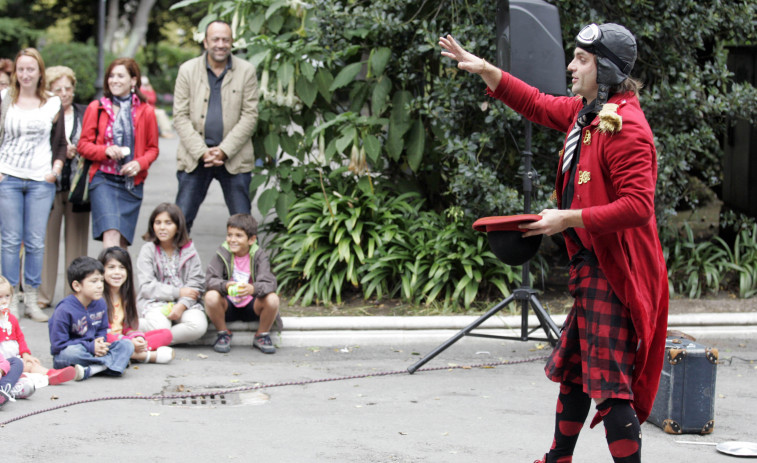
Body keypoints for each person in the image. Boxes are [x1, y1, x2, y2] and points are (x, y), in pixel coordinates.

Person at [440, 23, 668, 463]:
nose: (571, 66)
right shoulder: (588, 112)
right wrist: (486, 69)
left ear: (605, 70)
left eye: (582, 60)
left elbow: (638, 206)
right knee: (577, 373)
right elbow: (537, 103)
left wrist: (568, 218)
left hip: (615, 271)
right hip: (591, 266)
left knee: (609, 386)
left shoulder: (628, 126)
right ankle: (557, 458)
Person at [173, 19, 259, 233]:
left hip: (234, 158)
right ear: (205, 42)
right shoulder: (187, 70)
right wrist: (202, 152)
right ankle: (173, 266)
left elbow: (250, 116)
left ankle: (246, 267)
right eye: (216, 39)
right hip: (195, 157)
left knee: (243, 224)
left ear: (232, 43)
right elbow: (180, 116)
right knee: (181, 221)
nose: (221, 44)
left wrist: (223, 150)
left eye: (226, 40)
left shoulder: (246, 71)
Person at [0, 48, 67, 322]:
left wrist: (55, 170)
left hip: (41, 180)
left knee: (36, 241)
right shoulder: (5, 98)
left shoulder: (52, 103)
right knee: (10, 241)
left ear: (40, 72)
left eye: (31, 69)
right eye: (21, 69)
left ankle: (31, 298)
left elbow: (61, 143)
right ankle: (9, 297)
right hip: (9, 177)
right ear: (15, 72)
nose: (25, 74)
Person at [77, 58, 159, 249]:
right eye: (111, 76)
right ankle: (108, 278)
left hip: (132, 183)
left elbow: (153, 149)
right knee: (111, 234)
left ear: (133, 80)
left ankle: (119, 278)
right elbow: (83, 145)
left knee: (122, 242)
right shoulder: (96, 108)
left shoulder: (145, 111)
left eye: (120, 76)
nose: (114, 80)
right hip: (103, 179)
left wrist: (139, 163)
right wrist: (104, 150)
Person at [39, 65, 90, 309]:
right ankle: (43, 294)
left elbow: (92, 140)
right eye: (57, 88)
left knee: (77, 241)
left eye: (68, 88)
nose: (64, 93)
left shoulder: (84, 112)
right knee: (47, 239)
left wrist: (78, 149)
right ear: (48, 90)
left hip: (78, 187)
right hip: (51, 183)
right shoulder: (44, 112)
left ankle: (74, 295)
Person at [48, 256, 134, 381]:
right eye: (94, 281)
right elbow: (58, 345)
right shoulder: (64, 310)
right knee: (71, 353)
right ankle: (113, 364)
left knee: (127, 345)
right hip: (72, 353)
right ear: (77, 286)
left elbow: (102, 329)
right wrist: (90, 347)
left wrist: (100, 343)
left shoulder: (100, 303)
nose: (100, 286)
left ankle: (92, 369)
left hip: (94, 350)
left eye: (101, 281)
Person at [204, 213, 280, 354]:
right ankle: (223, 333)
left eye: (238, 236)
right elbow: (209, 280)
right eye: (229, 235)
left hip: (253, 305)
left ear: (251, 239)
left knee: (273, 299)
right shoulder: (222, 253)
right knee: (211, 296)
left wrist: (253, 288)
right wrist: (225, 285)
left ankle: (261, 335)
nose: (232, 240)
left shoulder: (259, 256)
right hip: (228, 305)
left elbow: (270, 283)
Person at [136, 203, 208, 345]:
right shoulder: (148, 250)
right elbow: (147, 287)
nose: (162, 227)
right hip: (154, 302)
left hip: (185, 303)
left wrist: (181, 305)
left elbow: (196, 285)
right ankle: (140, 328)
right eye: (158, 223)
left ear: (178, 226)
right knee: (161, 326)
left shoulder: (189, 251)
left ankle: (155, 339)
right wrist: (178, 292)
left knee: (198, 326)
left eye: (168, 223)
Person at [98, 247, 175, 364]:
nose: (117, 272)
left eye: (122, 268)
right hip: (107, 340)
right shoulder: (98, 298)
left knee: (166, 334)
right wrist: (128, 341)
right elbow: (103, 334)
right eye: (111, 267)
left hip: (123, 338)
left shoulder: (126, 296)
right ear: (101, 270)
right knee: (112, 343)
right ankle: (145, 355)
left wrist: (137, 338)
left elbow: (129, 326)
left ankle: (131, 352)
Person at [0, 276, 77, 386]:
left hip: (14, 358)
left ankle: (51, 375)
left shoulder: (11, 318)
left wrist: (25, 354)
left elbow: (19, 338)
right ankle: (16, 379)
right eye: (0, 297)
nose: (4, 301)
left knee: (31, 364)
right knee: (18, 368)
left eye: (7, 296)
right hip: (2, 361)